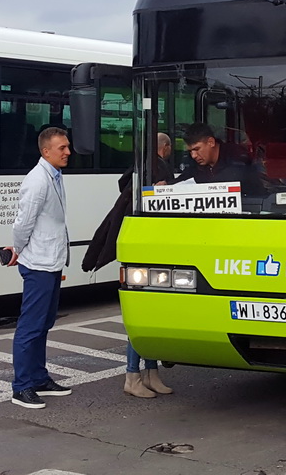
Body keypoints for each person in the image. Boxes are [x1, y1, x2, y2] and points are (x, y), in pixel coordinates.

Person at [83, 132, 174, 399]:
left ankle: (150, 373)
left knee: (150, 317)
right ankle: (133, 375)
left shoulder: (137, 171)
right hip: (146, 250)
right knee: (143, 319)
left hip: (142, 248)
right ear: (165, 148)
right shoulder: (156, 170)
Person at [5, 127, 73, 410]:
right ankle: (22, 386)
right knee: (31, 325)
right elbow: (23, 222)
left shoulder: (53, 176)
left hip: (52, 259)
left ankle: (39, 378)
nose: (68, 152)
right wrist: (18, 249)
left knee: (44, 323)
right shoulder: (37, 181)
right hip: (39, 262)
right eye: (62, 148)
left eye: (67, 146)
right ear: (46, 152)